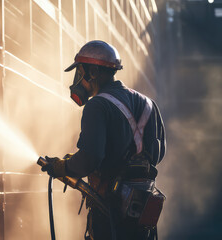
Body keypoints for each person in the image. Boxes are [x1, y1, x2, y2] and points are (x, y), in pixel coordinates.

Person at [41, 40, 166, 240]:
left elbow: (90, 159)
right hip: (143, 213)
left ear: (93, 72)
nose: (77, 80)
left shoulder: (97, 106)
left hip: (111, 212)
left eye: (80, 73)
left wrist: (62, 167)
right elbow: (156, 155)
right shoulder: (150, 104)